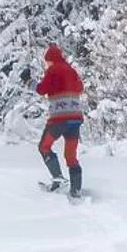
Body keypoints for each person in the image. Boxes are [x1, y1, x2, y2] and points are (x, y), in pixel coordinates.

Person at [31, 44, 85, 197]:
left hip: (59, 119)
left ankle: (58, 179)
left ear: (51, 60)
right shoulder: (72, 70)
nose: (46, 65)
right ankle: (76, 190)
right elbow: (80, 88)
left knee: (44, 146)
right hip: (75, 119)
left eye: (47, 62)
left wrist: (28, 81)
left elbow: (41, 89)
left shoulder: (53, 70)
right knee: (71, 155)